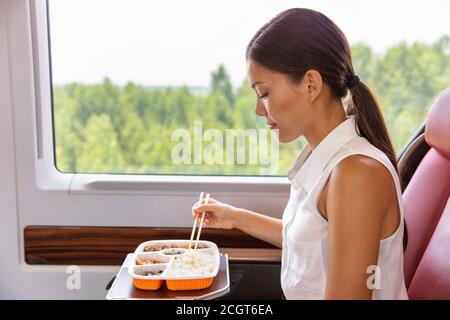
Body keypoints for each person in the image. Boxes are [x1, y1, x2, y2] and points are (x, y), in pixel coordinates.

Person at [191, 8, 408, 300]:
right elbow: (314, 243)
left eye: (264, 93)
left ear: (311, 85)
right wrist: (236, 217)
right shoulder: (325, 160)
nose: (258, 110)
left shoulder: (357, 173)